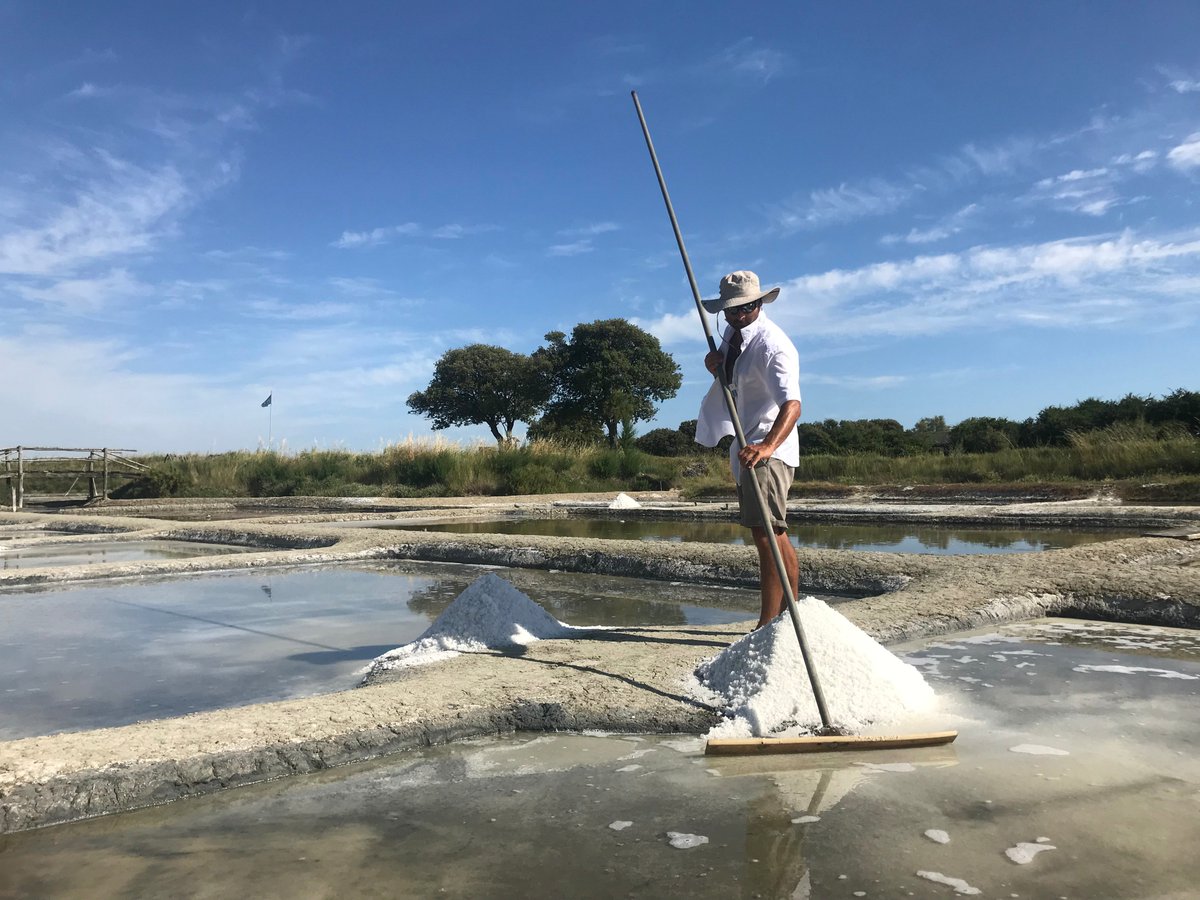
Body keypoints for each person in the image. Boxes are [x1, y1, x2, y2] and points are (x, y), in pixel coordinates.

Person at [694, 271, 802, 628]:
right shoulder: (733, 336)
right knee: (771, 534)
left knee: (767, 535)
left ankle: (768, 624)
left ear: (759, 303)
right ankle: (786, 618)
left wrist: (767, 446)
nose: (739, 315)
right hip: (747, 448)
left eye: (746, 308)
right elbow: (736, 383)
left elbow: (793, 406)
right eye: (732, 310)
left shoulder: (772, 346)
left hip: (767, 452)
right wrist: (715, 368)